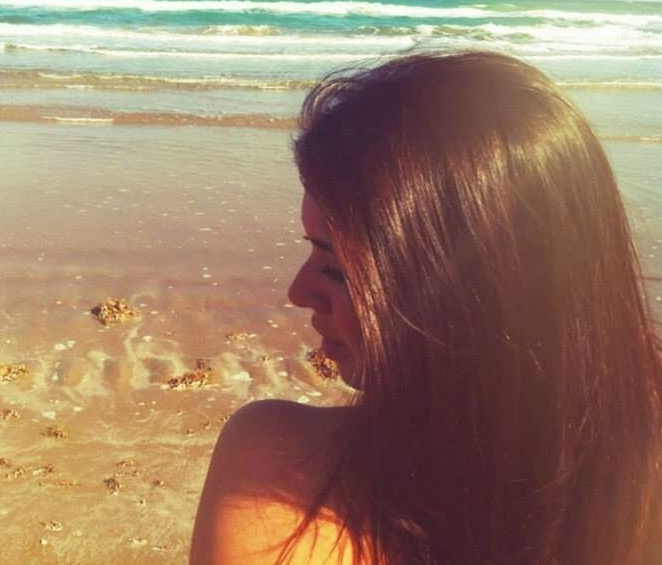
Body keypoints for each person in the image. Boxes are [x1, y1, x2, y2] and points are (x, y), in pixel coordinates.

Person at [190, 51, 662, 564]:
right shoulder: (633, 477)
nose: (297, 292)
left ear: (474, 298)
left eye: (338, 270)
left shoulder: (277, 461)